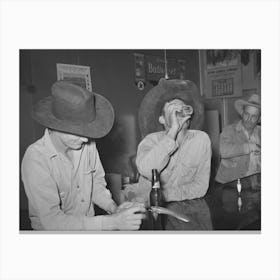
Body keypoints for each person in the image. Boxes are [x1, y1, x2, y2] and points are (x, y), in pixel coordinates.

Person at [21, 81, 145, 231]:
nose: (86, 139)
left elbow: (96, 184)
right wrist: (113, 222)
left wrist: (113, 208)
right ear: (56, 125)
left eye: (87, 132)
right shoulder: (36, 158)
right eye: (79, 132)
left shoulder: (86, 145)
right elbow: (52, 221)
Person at [136, 79, 211, 203]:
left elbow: (201, 187)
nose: (179, 111)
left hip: (184, 207)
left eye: (182, 108)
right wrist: (173, 131)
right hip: (153, 208)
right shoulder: (150, 141)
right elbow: (147, 170)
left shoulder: (201, 140)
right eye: (172, 110)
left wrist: (165, 196)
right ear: (162, 120)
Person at [215, 94, 261, 183]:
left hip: (254, 184)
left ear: (259, 119)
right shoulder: (229, 130)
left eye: (254, 116)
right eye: (247, 114)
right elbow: (222, 151)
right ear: (242, 113)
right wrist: (249, 147)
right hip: (230, 183)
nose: (249, 119)